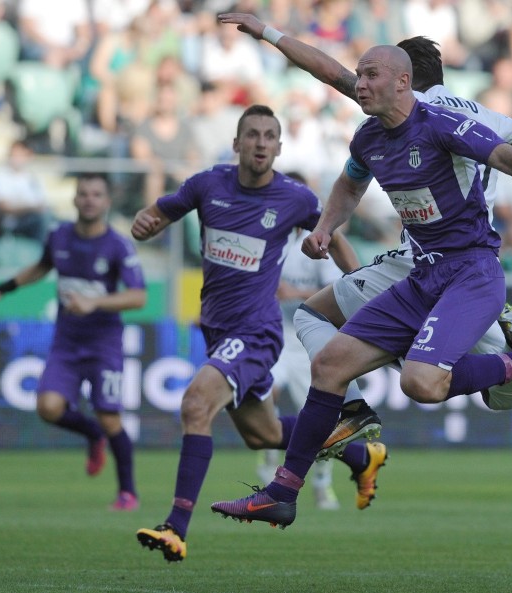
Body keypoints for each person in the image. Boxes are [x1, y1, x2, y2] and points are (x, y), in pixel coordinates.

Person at [211, 45, 512, 529]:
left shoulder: (441, 119)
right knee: (329, 364)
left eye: (371, 75)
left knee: (422, 382)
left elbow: (509, 157)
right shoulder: (377, 134)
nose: (359, 84)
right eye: (360, 76)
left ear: (405, 80)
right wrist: (325, 227)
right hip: (419, 272)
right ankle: (284, 491)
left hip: (470, 271)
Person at [133, 105, 386, 564]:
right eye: (252, 134)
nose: (261, 142)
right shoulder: (208, 184)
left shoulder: (295, 198)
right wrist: (147, 219)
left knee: (195, 404)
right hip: (218, 330)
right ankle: (358, 455)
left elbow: (335, 237)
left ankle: (176, 526)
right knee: (263, 433)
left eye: (270, 136)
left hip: (256, 331)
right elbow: (163, 210)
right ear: (237, 144)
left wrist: (363, 297)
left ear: (279, 147)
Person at [0, 173, 145, 511]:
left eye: (96, 194)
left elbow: (138, 296)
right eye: (83, 193)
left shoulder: (118, 245)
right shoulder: (59, 235)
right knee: (48, 408)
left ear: (106, 202)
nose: (89, 199)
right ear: (75, 200)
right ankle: (92, 434)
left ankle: (128, 493)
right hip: (67, 341)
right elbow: (42, 267)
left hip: (103, 343)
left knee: (111, 418)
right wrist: (1, 289)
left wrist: (95, 303)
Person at [255, 173, 345, 510]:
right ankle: (267, 471)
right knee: (265, 396)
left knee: (319, 417)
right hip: (275, 333)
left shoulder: (317, 239)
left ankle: (322, 484)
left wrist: (295, 293)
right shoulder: (265, 238)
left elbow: (337, 291)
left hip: (310, 336)